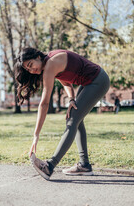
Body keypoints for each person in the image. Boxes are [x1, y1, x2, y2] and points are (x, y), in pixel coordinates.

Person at [14, 47, 110, 180]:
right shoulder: (51, 63)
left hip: (97, 81)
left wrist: (36, 135)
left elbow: (44, 103)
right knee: (76, 118)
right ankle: (84, 165)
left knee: (72, 120)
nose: (32, 70)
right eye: (28, 69)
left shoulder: (50, 64)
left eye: (31, 65)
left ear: (37, 57)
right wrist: (71, 99)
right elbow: (66, 83)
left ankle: (49, 166)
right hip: (90, 81)